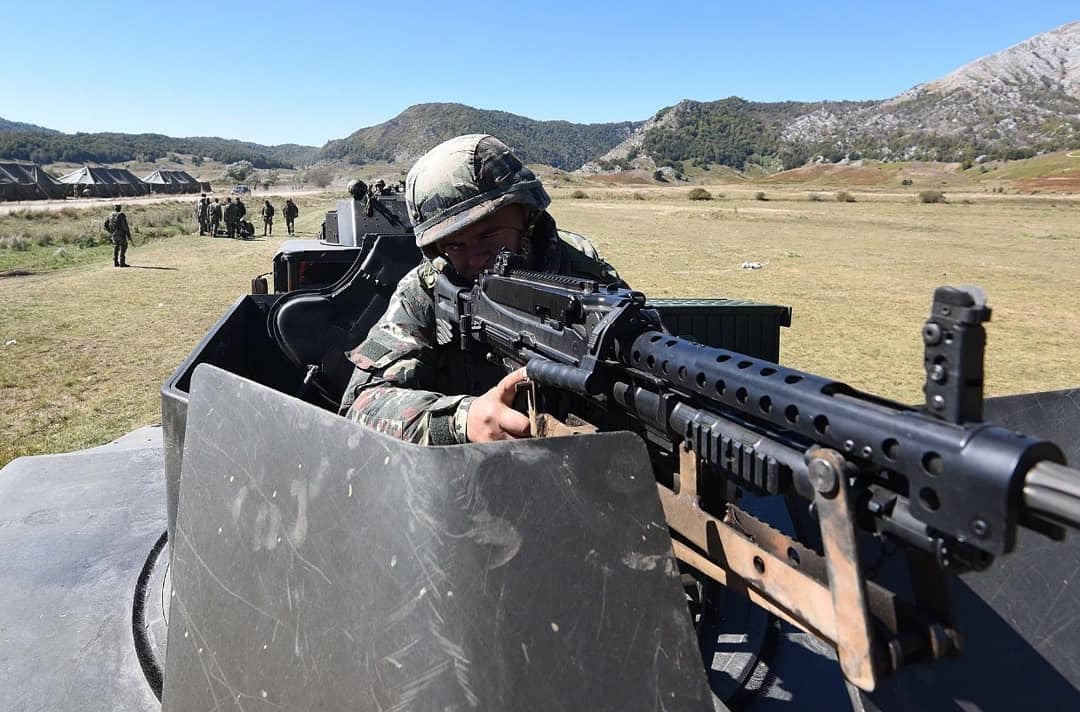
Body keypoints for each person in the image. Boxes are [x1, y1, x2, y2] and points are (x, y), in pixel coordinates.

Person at [339, 134, 622, 445]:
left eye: (490, 234)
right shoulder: (426, 290)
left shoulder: (584, 274)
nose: (476, 257)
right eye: (455, 244)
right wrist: (462, 419)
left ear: (527, 216)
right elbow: (362, 405)